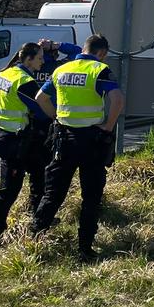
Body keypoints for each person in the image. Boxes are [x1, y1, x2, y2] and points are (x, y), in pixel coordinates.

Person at [30, 34, 125, 261]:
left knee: (53, 193)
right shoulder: (99, 70)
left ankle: (33, 239)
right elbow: (118, 99)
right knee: (91, 196)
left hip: (63, 139)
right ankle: (84, 249)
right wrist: (107, 126)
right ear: (101, 53)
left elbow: (40, 97)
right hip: (92, 140)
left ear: (84, 48)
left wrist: (56, 118)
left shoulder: (62, 70)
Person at [0, 41, 57, 245]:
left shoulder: (4, 74)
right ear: (28, 59)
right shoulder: (24, 81)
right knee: (9, 191)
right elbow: (41, 111)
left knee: (39, 172)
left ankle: (38, 222)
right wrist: (55, 117)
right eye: (40, 58)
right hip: (15, 141)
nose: (43, 62)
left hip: (4, 135)